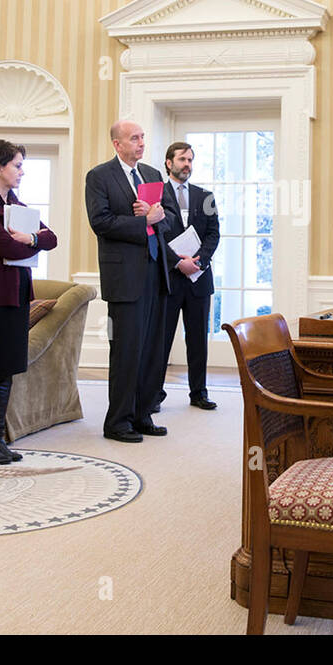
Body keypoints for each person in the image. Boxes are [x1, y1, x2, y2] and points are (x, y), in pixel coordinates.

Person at [85, 120, 181, 442]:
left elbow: (168, 216)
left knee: (152, 350)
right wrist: (143, 221)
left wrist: (157, 215)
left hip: (156, 274)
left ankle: (142, 416)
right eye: (134, 138)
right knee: (126, 351)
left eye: (142, 137)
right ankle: (117, 423)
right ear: (117, 144)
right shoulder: (99, 176)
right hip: (124, 277)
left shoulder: (153, 175)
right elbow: (101, 222)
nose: (141, 143)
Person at [0, 140, 57, 464]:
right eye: (17, 165)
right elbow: (7, 248)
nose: (21, 171)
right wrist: (29, 243)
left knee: (6, 372)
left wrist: (30, 238)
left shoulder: (16, 204)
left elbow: (51, 238)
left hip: (16, 295)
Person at [158, 141, 220, 412]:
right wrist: (177, 262)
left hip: (199, 278)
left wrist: (199, 261)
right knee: (160, 340)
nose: (188, 165)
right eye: (182, 159)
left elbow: (213, 233)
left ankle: (199, 393)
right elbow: (155, 235)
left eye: (191, 160)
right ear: (169, 163)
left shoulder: (204, 196)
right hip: (168, 279)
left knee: (197, 340)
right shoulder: (156, 194)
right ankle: (154, 394)